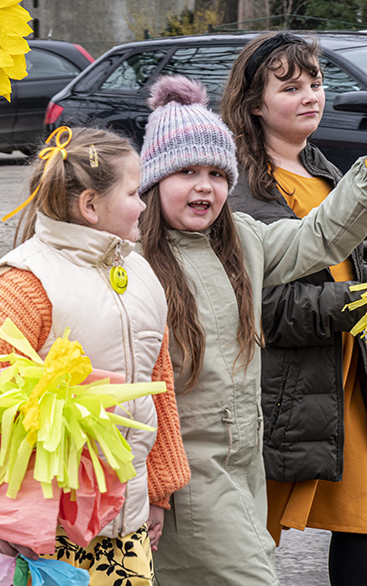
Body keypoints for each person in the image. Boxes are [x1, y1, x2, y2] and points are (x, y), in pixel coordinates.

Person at [0, 126, 191, 586]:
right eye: (133, 192)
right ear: (90, 206)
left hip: (120, 526)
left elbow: (158, 384)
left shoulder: (140, 272)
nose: (145, 204)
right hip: (32, 530)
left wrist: (158, 488)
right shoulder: (23, 285)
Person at [136, 74, 367, 586]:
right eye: (187, 171)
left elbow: (321, 237)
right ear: (153, 180)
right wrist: (153, 485)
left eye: (218, 173)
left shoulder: (241, 238)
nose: (205, 186)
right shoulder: (133, 262)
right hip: (186, 478)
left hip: (244, 469)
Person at [222, 32, 367, 586]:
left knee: (360, 519)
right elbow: (256, 305)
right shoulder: (234, 186)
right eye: (291, 87)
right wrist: (349, 304)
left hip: (344, 377)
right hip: (278, 390)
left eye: (316, 83)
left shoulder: (326, 170)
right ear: (254, 103)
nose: (311, 96)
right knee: (247, 537)